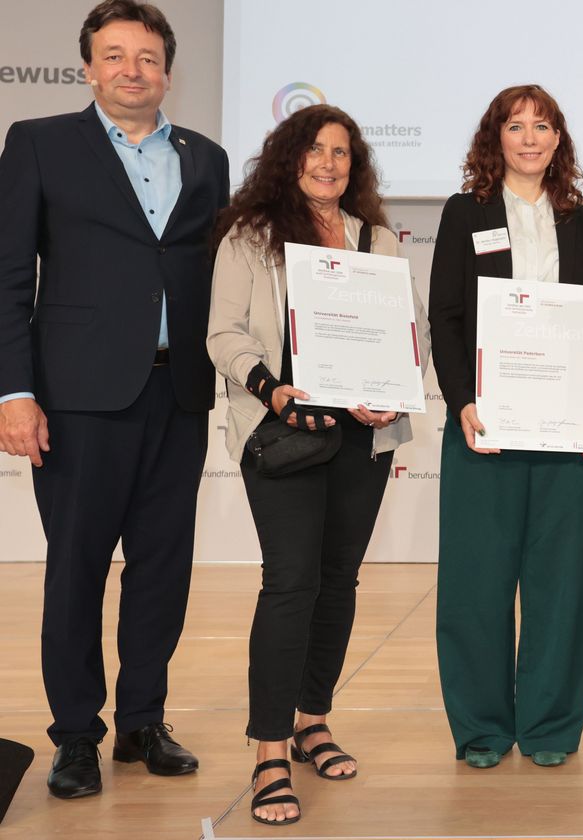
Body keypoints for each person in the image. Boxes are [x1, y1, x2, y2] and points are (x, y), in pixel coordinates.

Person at [0, 0, 228, 799]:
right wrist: (15, 391)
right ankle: (73, 736)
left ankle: (141, 721)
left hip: (180, 393)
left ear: (169, 69)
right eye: (116, 55)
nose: (134, 69)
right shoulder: (38, 143)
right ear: (89, 66)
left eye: (149, 57)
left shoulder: (207, 158)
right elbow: (9, 275)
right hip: (77, 398)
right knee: (76, 573)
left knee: (163, 568)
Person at [207, 103, 428, 825]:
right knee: (291, 583)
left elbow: (400, 334)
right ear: (288, 157)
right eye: (315, 150)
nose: (328, 163)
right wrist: (271, 390)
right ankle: (270, 749)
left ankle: (312, 720)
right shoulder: (250, 236)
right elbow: (223, 334)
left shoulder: (379, 240)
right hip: (284, 430)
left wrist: (386, 397)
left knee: (337, 583)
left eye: (341, 153)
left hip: (360, 441)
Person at [429, 84, 583, 769]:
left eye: (543, 126)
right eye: (516, 125)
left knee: (559, 583)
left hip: (562, 426)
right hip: (484, 422)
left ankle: (551, 724)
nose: (530, 137)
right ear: (494, 137)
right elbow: (445, 316)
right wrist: (460, 400)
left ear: (558, 140)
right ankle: (480, 728)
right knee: (476, 583)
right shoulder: (463, 212)